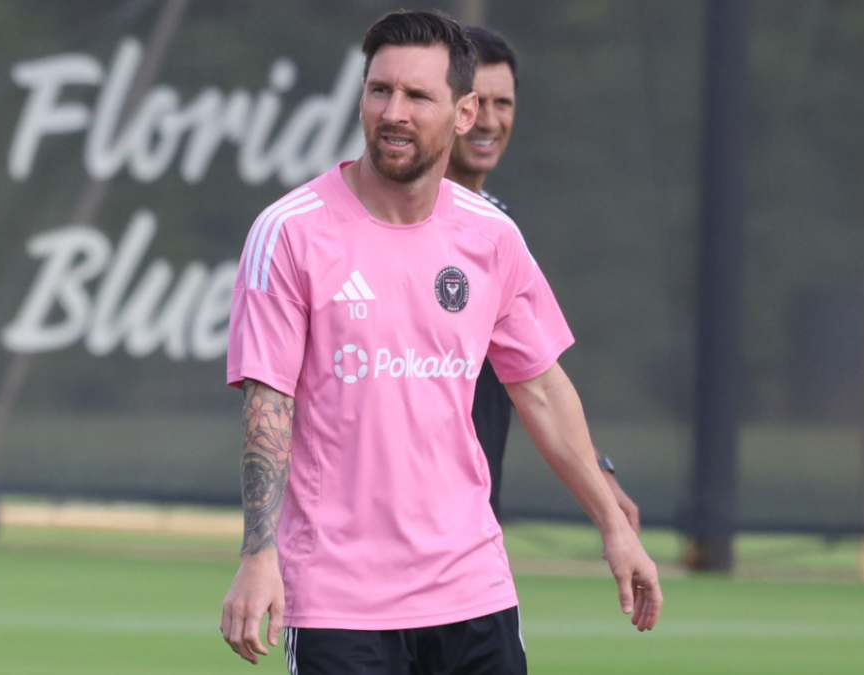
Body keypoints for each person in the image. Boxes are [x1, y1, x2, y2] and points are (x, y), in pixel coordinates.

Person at [220, 10, 662, 673]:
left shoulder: (493, 236)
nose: (393, 112)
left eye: (417, 96)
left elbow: (542, 389)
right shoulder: (290, 231)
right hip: (340, 601)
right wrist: (259, 555)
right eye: (379, 90)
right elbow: (268, 403)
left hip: (472, 590)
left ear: (463, 113)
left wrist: (613, 525)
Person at [445, 26, 641, 530]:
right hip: (387, 523)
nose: (490, 120)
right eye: (477, 102)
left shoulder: (499, 228)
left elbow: (536, 377)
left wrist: (596, 471)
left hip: (473, 522)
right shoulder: (389, 221)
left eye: (503, 103)